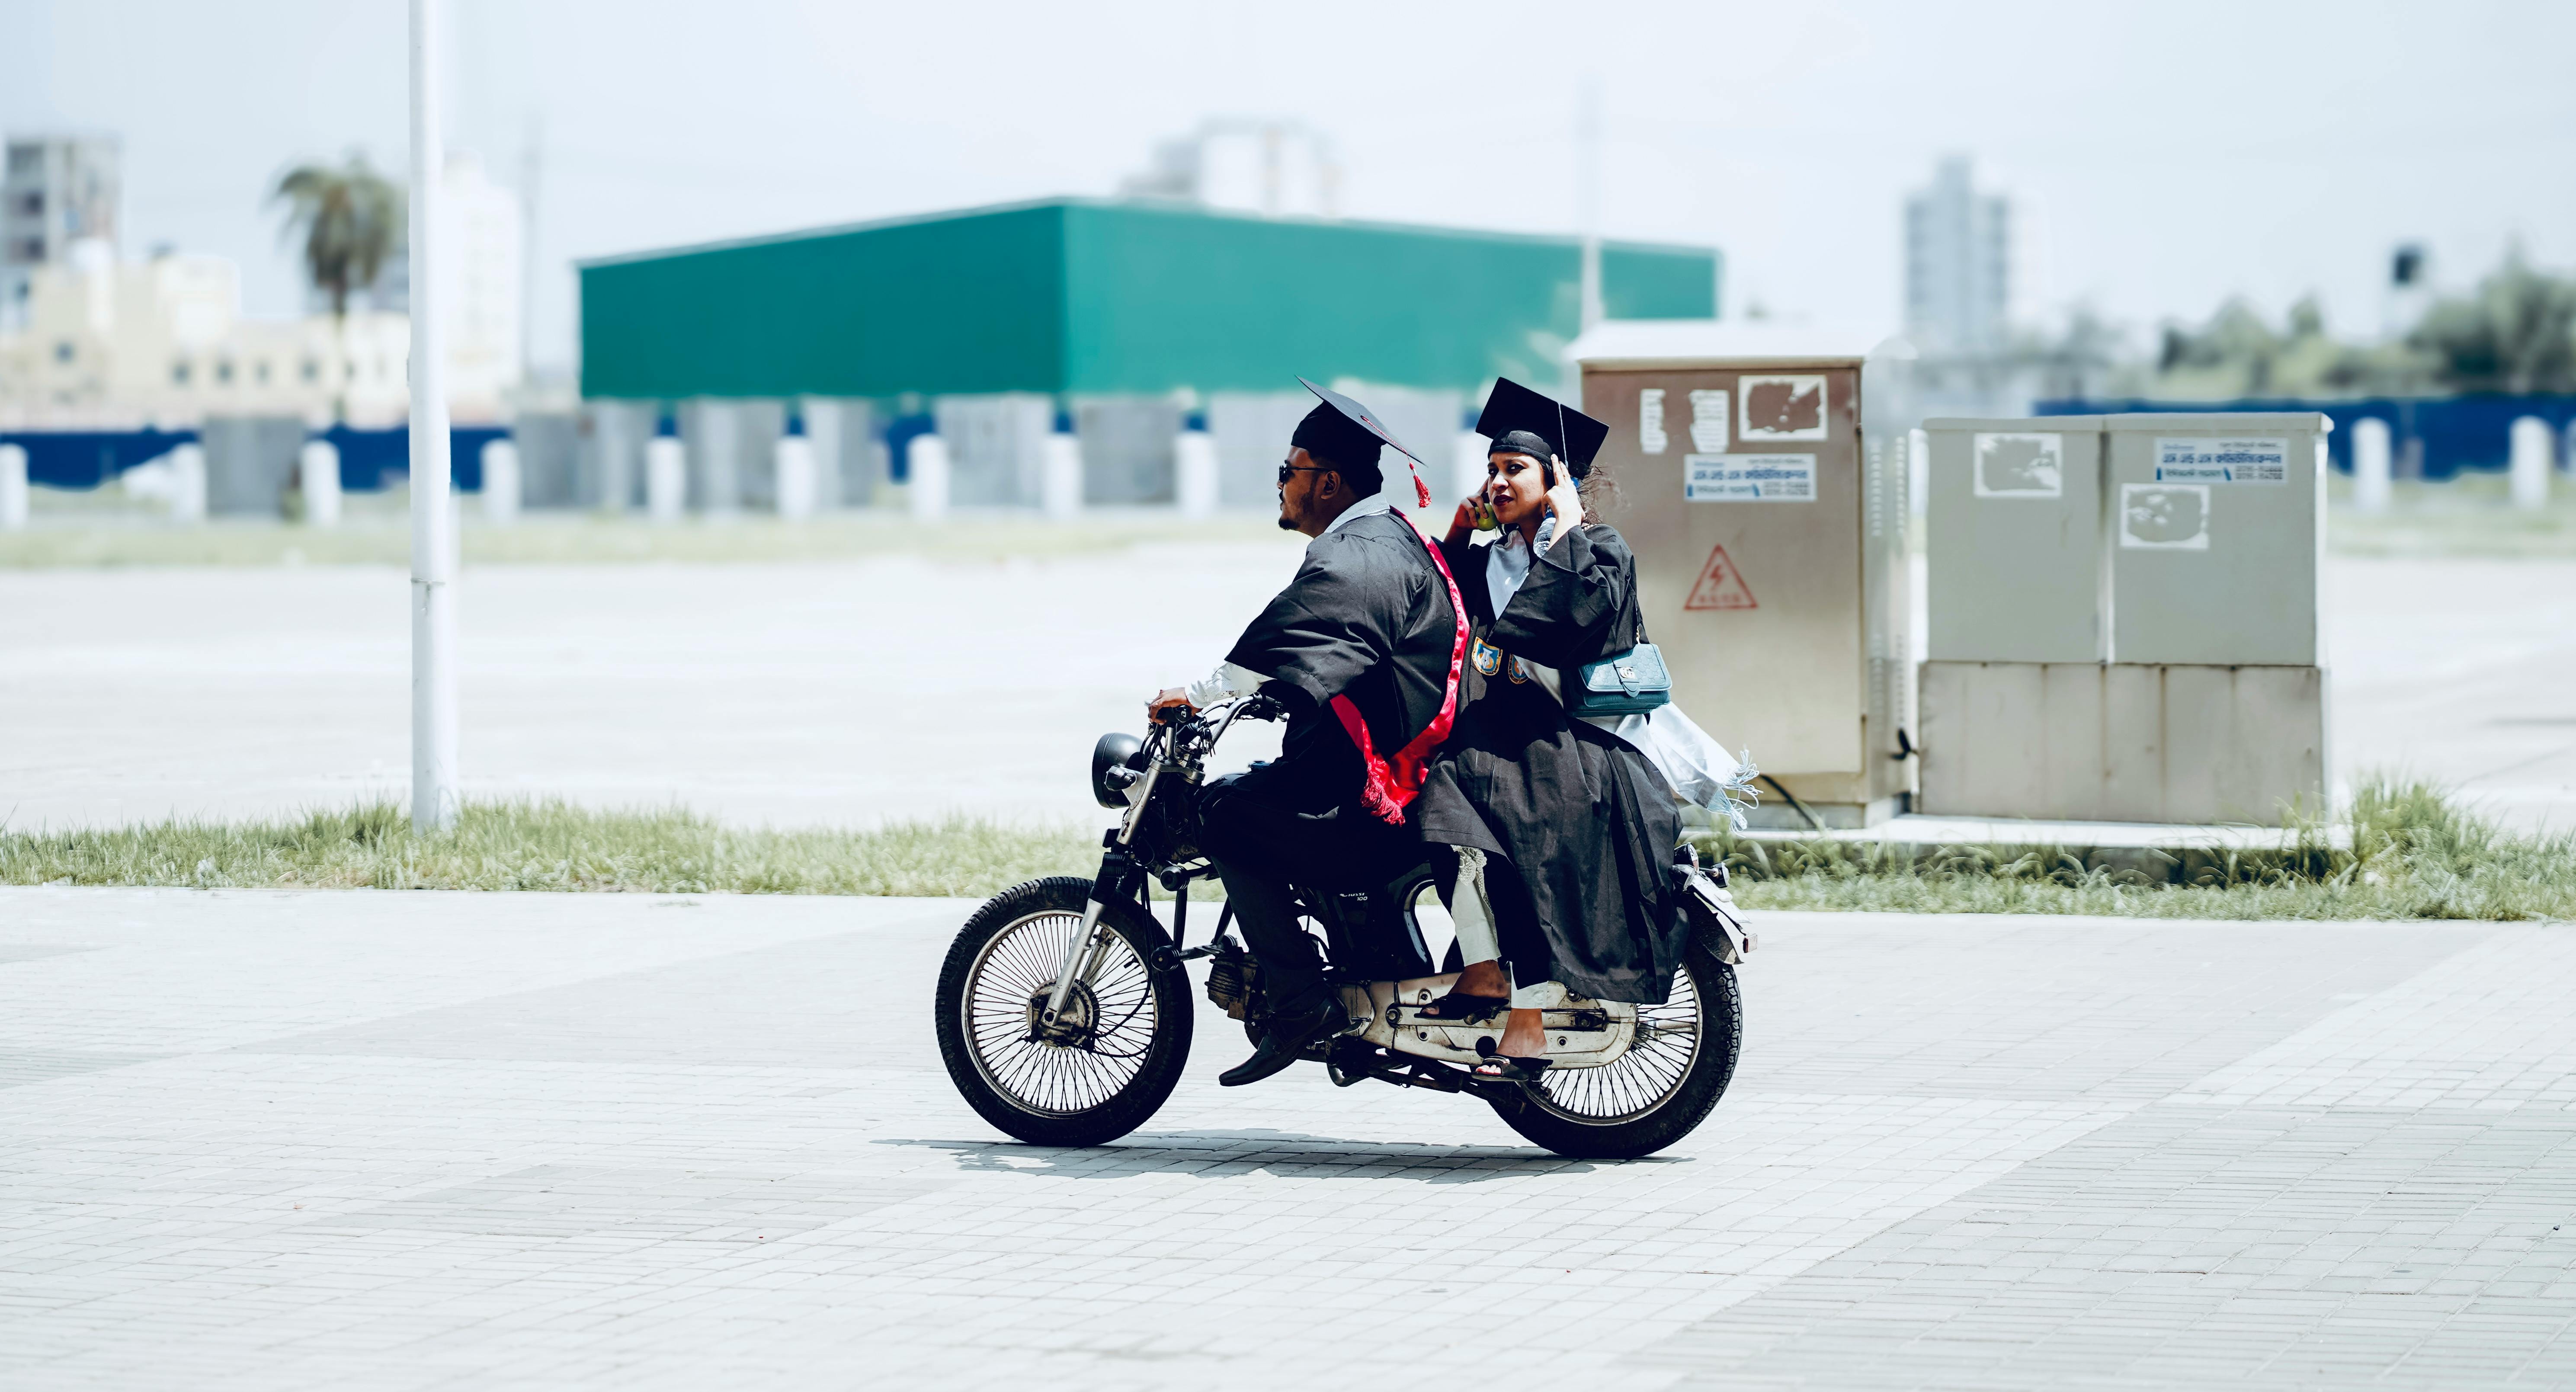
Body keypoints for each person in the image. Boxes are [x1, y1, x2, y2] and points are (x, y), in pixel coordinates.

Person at [1146, 379, 1467, 1088]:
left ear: (1326, 481)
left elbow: (1300, 629)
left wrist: (1197, 697)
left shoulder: (1355, 556)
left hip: (1373, 802)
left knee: (1225, 817)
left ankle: (1299, 1003)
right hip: (1386, 770)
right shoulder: (1395, 538)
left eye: (1288, 472)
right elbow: (1350, 652)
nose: (1282, 486)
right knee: (1250, 793)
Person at [1409, 378, 1687, 1082]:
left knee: (1521, 831)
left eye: (1516, 469)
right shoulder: (1491, 558)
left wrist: (1562, 525)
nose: (1498, 481)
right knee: (1442, 815)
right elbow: (1439, 602)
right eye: (1493, 469)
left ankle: (1528, 1022)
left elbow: (1570, 620)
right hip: (1497, 737)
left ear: (1556, 479)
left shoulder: (1598, 550)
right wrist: (1457, 533)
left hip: (1574, 740)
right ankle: (1480, 972)